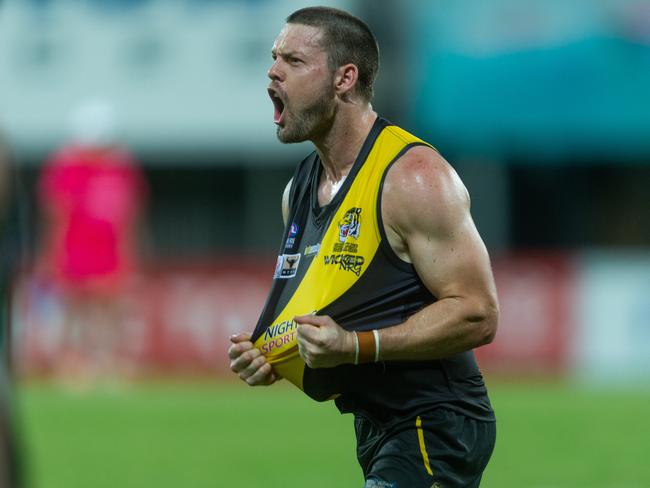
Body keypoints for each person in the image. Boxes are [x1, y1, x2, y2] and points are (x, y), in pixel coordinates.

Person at [228, 7, 499, 487]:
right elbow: (336, 306)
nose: (272, 71)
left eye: (292, 60)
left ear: (344, 78)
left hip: (436, 420)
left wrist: (355, 347)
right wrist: (273, 356)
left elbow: (478, 312)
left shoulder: (412, 177)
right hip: (376, 425)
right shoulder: (300, 191)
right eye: (273, 58)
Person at [36, 99, 148, 381]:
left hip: (110, 255)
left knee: (110, 313)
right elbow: (57, 217)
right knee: (75, 311)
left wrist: (130, 258)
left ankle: (109, 363)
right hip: (75, 252)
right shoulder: (66, 167)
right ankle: (72, 365)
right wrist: (53, 257)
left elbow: (130, 220)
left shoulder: (123, 168)